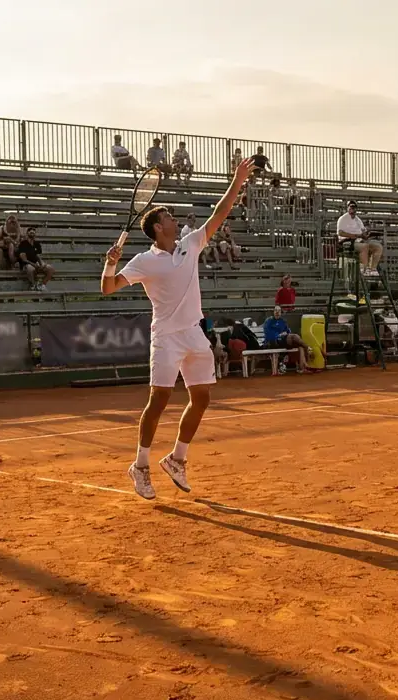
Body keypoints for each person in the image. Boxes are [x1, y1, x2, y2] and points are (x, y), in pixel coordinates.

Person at [101, 156, 256, 498]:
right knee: (159, 400)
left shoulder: (190, 244)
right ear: (158, 227)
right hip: (166, 337)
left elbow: (221, 212)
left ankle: (176, 459)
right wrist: (109, 264)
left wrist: (238, 180)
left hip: (193, 333)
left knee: (201, 398)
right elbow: (108, 288)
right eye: (169, 217)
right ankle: (140, 466)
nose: (175, 219)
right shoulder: (143, 262)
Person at [337, 201, 384, 276]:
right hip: (347, 241)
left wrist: (367, 235)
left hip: (359, 240)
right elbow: (340, 232)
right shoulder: (343, 219)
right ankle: (363, 269)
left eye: (354, 207)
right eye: (351, 207)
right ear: (347, 208)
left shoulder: (358, 220)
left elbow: (363, 232)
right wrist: (354, 235)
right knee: (364, 247)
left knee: (378, 247)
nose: (352, 209)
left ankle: (372, 269)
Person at [262, 306, 310, 372]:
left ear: (281, 312)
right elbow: (268, 333)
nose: (277, 312)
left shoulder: (283, 321)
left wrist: (285, 333)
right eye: (275, 310)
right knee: (295, 337)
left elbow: (288, 331)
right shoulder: (269, 321)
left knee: (300, 346)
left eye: (279, 311)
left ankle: (303, 367)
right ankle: (307, 347)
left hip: (284, 340)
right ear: (273, 312)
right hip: (274, 341)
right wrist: (279, 335)